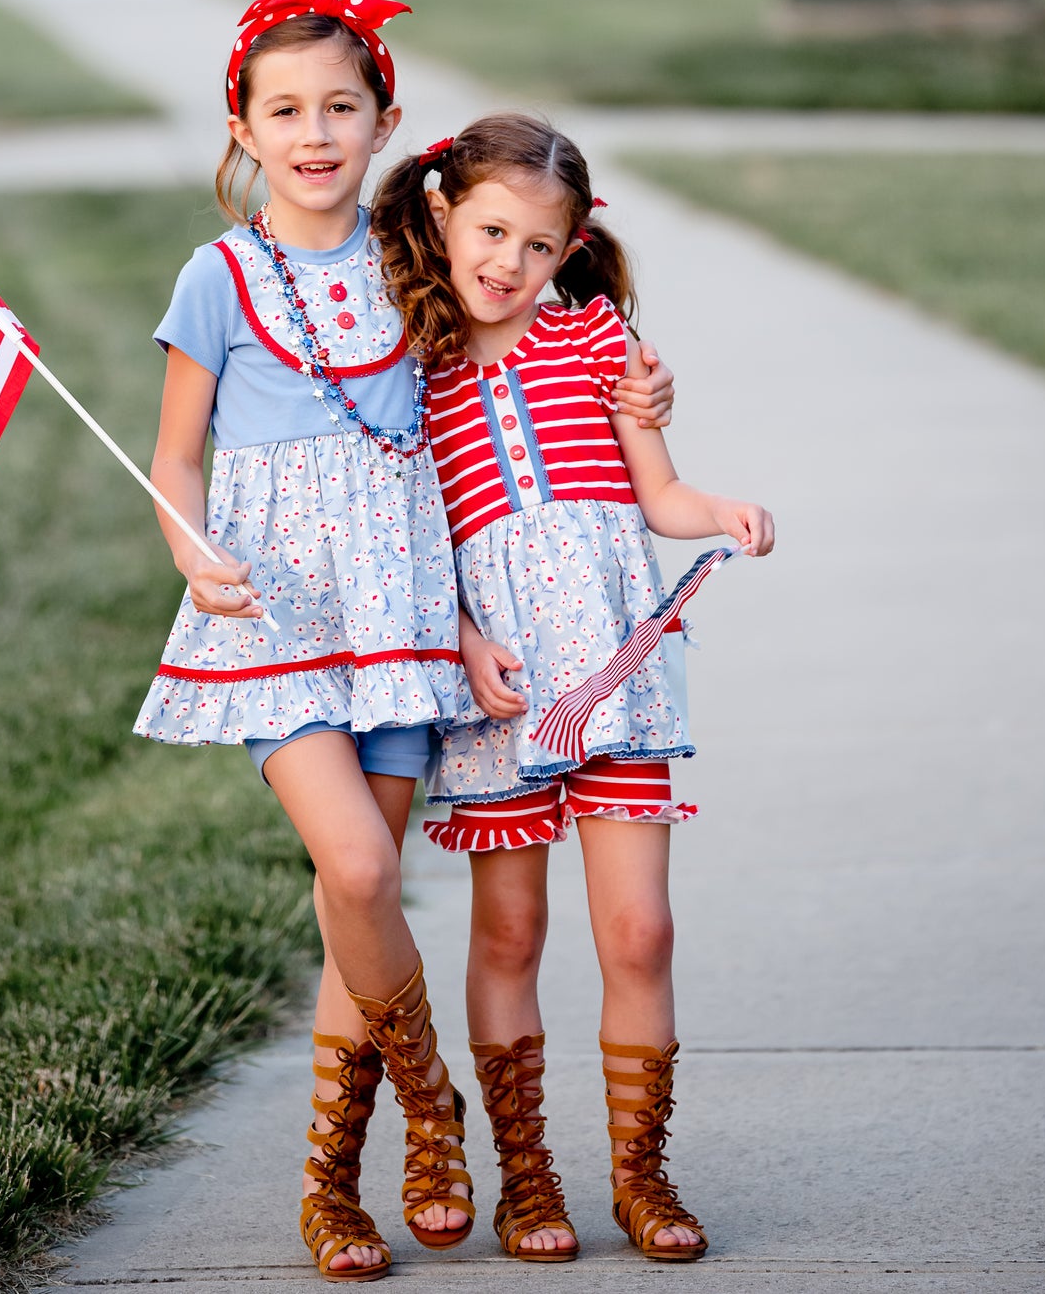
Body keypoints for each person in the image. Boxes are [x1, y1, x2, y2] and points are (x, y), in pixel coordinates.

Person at [133, 0, 677, 1283]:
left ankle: (333, 1184)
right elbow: (171, 455)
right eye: (285, 110)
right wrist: (190, 547)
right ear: (242, 130)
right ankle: (431, 1101)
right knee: (363, 872)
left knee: (349, 901)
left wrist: (640, 389)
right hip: (276, 611)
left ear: (387, 124)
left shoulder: (413, 264)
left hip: (402, 620)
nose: (314, 133)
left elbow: (524, 342)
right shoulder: (216, 276)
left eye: (340, 106)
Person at [371, 114, 774, 1266]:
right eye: (493, 229)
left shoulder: (598, 344)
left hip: (614, 672)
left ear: (569, 249)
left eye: (540, 244)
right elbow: (413, 540)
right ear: (444, 211)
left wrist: (723, 510)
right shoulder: (412, 366)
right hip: (500, 688)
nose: (510, 261)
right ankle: (527, 1179)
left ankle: (643, 1176)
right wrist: (457, 637)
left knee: (638, 928)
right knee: (510, 928)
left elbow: (658, 496)